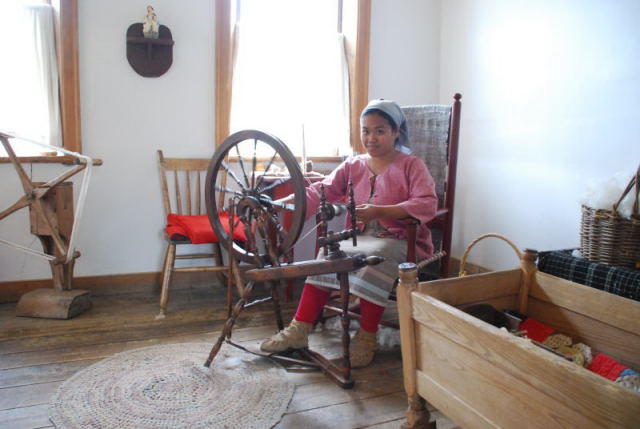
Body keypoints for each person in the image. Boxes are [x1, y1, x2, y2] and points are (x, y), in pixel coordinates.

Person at [260, 99, 438, 367]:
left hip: (400, 239)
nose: (371, 138)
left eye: (379, 130)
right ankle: (300, 329)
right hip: (358, 236)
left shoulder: (411, 165)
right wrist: (281, 203)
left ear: (395, 132)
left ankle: (367, 336)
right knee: (326, 253)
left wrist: (381, 211)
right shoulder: (353, 165)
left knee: (373, 258)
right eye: (365, 131)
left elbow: (427, 203)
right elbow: (321, 192)